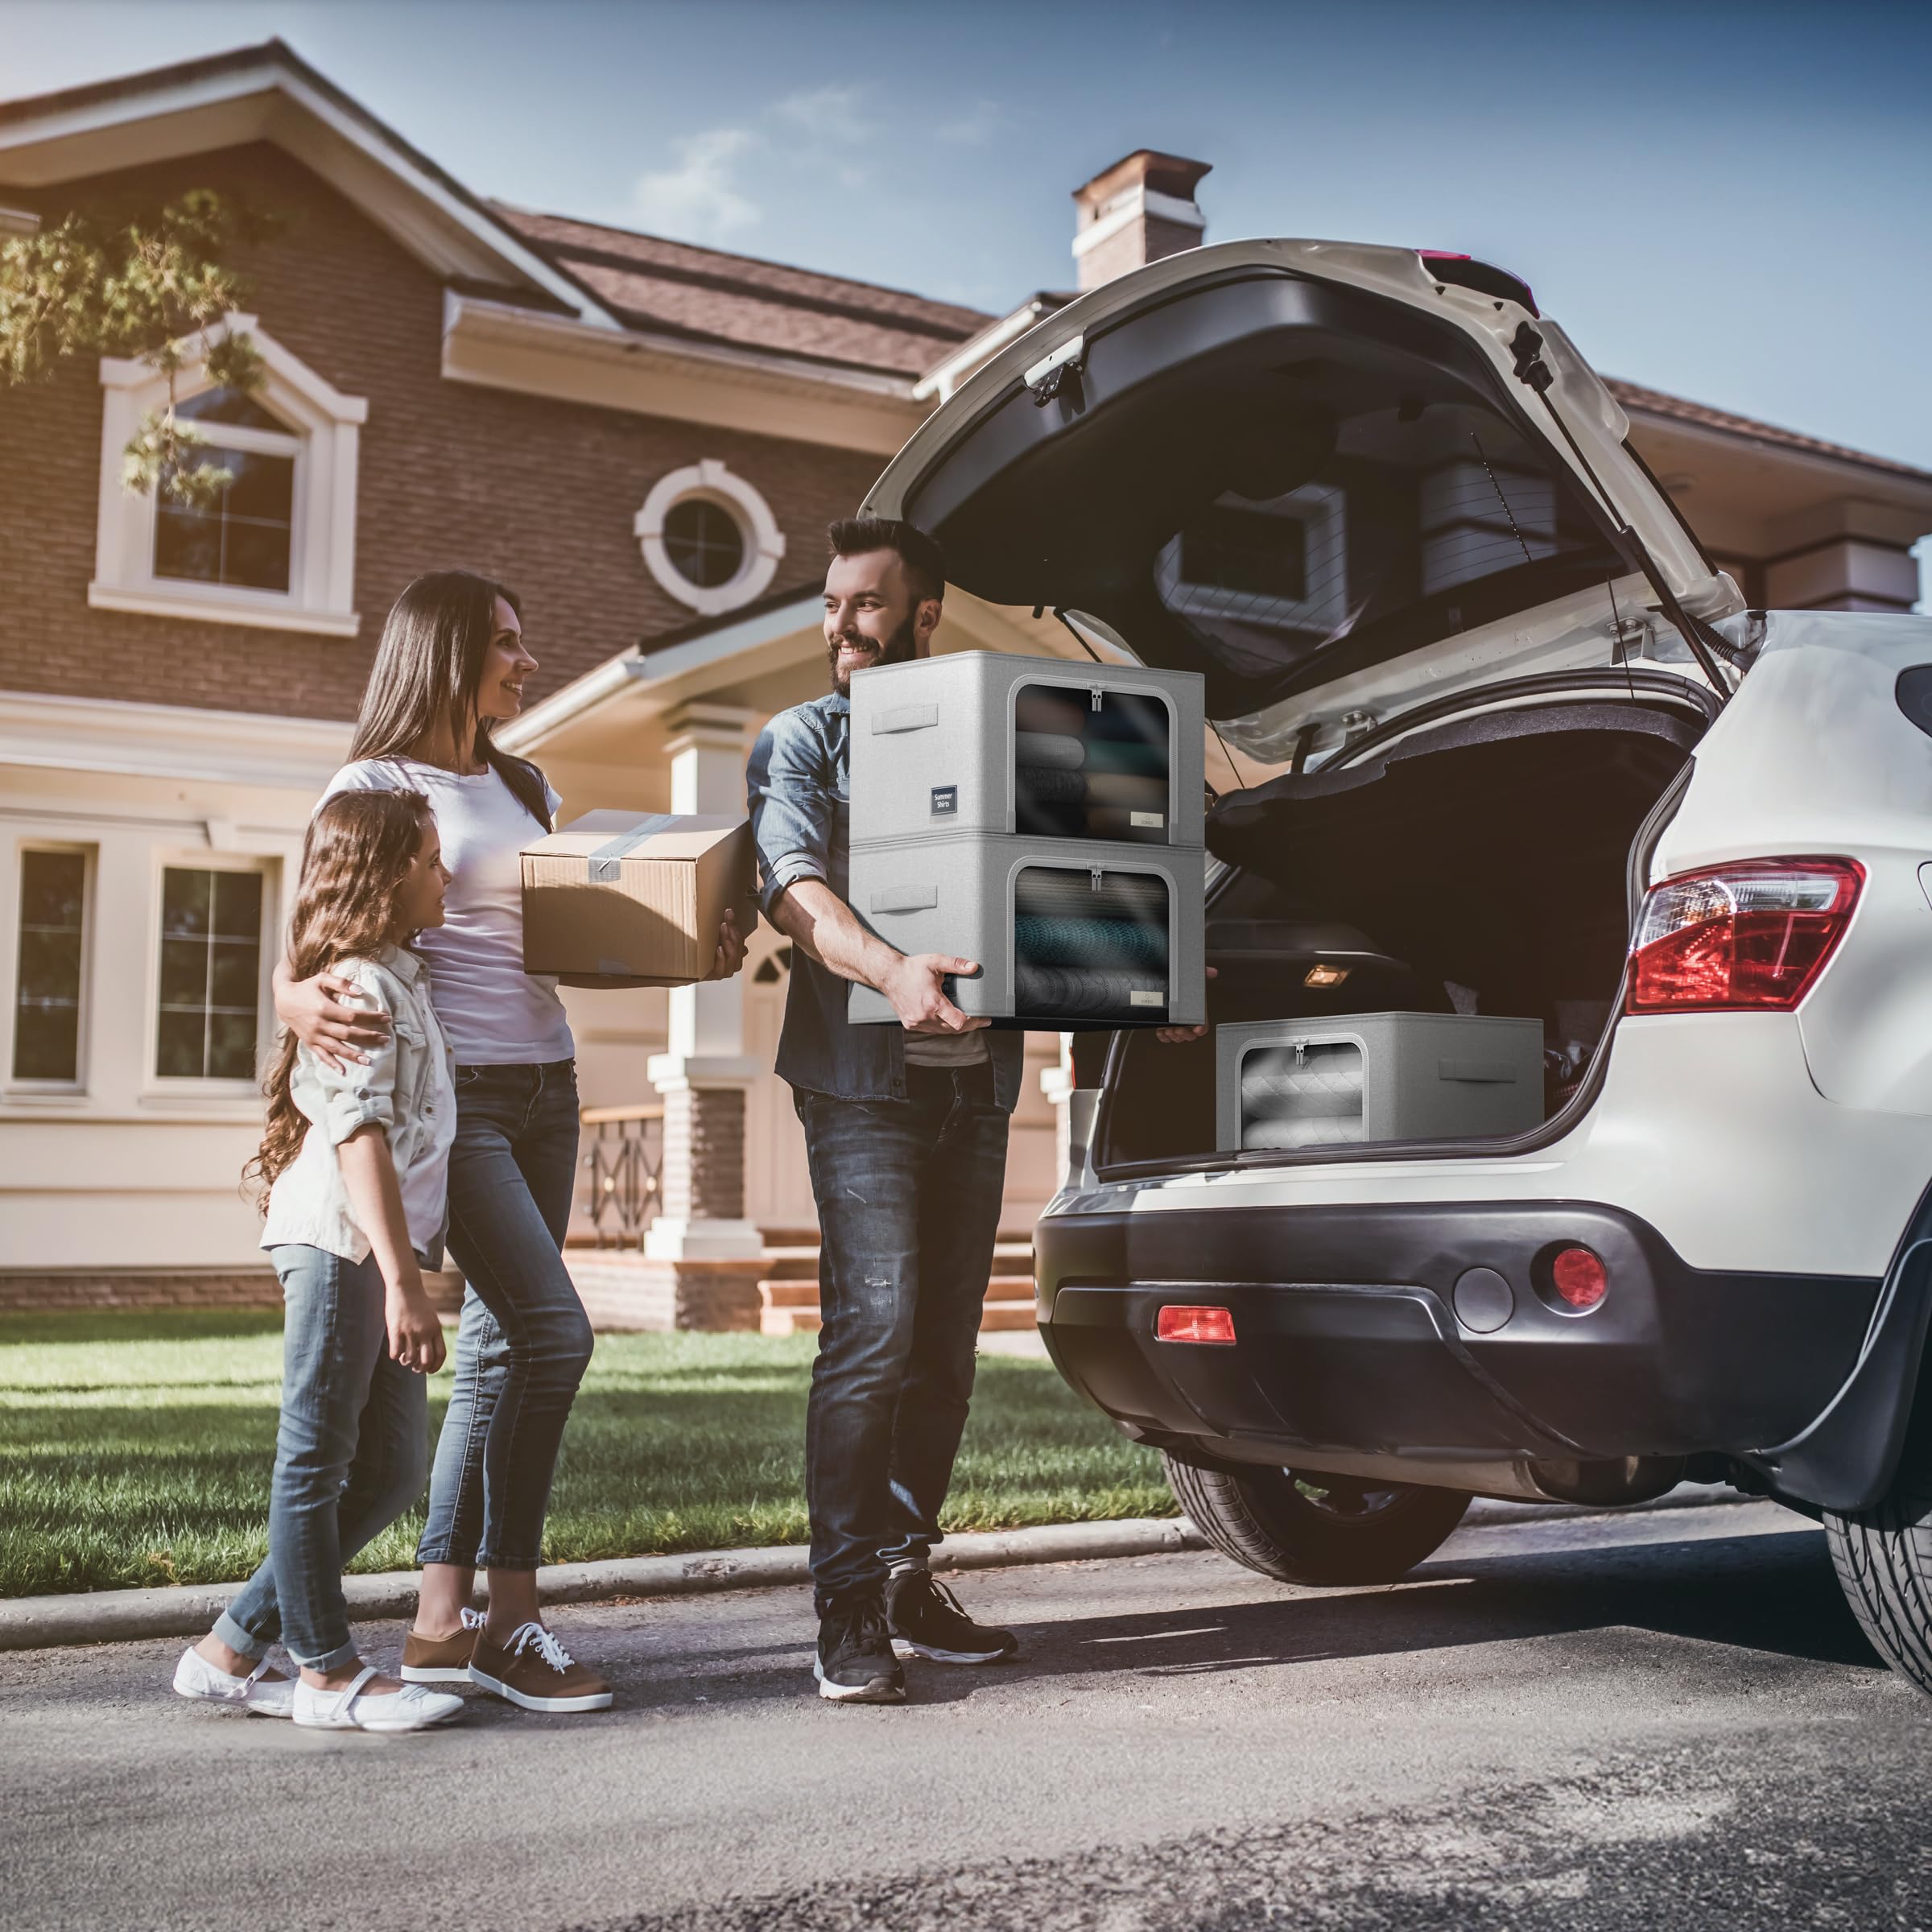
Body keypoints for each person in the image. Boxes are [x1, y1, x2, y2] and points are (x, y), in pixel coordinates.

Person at [748, 517, 1211, 1705]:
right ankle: (845, 1605)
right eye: (833, 604)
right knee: (875, 1333)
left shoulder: (999, 738)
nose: (842, 626)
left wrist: (1140, 990)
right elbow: (797, 890)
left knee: (944, 1351)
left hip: (976, 1087)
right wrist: (895, 969)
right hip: (862, 1089)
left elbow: (1060, 884)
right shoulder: (803, 741)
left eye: (866, 604)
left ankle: (905, 1573)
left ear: (925, 615)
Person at [275, 570, 745, 1715]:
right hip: (460, 1099)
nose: (526, 662)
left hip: (548, 1083)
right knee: (554, 1334)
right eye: (507, 643)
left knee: (498, 1350)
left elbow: (547, 944)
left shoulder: (522, 780)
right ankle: (511, 1618)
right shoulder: (375, 782)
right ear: (445, 651)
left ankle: (443, 1622)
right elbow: (318, 933)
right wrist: (291, 1006)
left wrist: (689, 950)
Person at [173, 789, 466, 1733]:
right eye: (430, 858)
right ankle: (327, 1672)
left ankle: (228, 1650)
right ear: (386, 877)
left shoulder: (401, 976)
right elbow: (358, 1140)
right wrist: (403, 1280)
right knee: (316, 1459)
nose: (446, 873)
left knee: (388, 1470)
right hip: (341, 1243)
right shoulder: (357, 989)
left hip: (372, 1248)